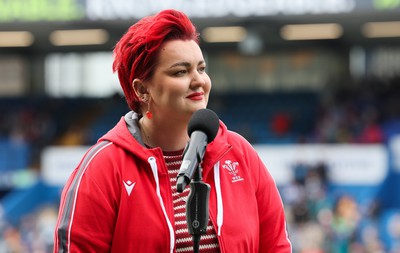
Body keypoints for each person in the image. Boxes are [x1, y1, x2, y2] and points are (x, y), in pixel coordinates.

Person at [53, 9, 292, 253]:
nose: (198, 80)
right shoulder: (103, 167)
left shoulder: (240, 154)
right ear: (141, 90)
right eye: (181, 71)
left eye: (201, 68)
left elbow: (276, 246)